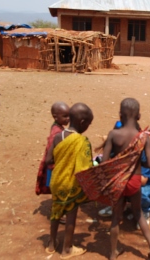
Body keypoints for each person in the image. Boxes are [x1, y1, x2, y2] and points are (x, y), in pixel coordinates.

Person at [83, 98, 150, 260]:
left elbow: (104, 162)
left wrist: (120, 160)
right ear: (139, 116)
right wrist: (136, 159)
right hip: (135, 181)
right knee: (138, 213)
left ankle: (112, 253)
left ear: (120, 115)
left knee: (116, 217)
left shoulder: (113, 134)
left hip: (118, 181)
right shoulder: (143, 137)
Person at [45, 103, 94, 259]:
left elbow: (48, 160)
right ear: (82, 122)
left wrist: (62, 165)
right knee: (71, 214)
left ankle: (52, 244)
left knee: (56, 212)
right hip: (70, 183)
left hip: (56, 181)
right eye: (88, 124)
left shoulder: (59, 136)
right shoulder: (82, 141)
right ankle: (67, 249)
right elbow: (84, 168)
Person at [35, 101, 70, 195]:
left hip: (53, 164)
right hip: (53, 165)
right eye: (65, 116)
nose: (68, 119)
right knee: (56, 188)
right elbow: (52, 150)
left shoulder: (57, 126)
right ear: (55, 117)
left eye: (69, 115)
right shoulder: (56, 132)